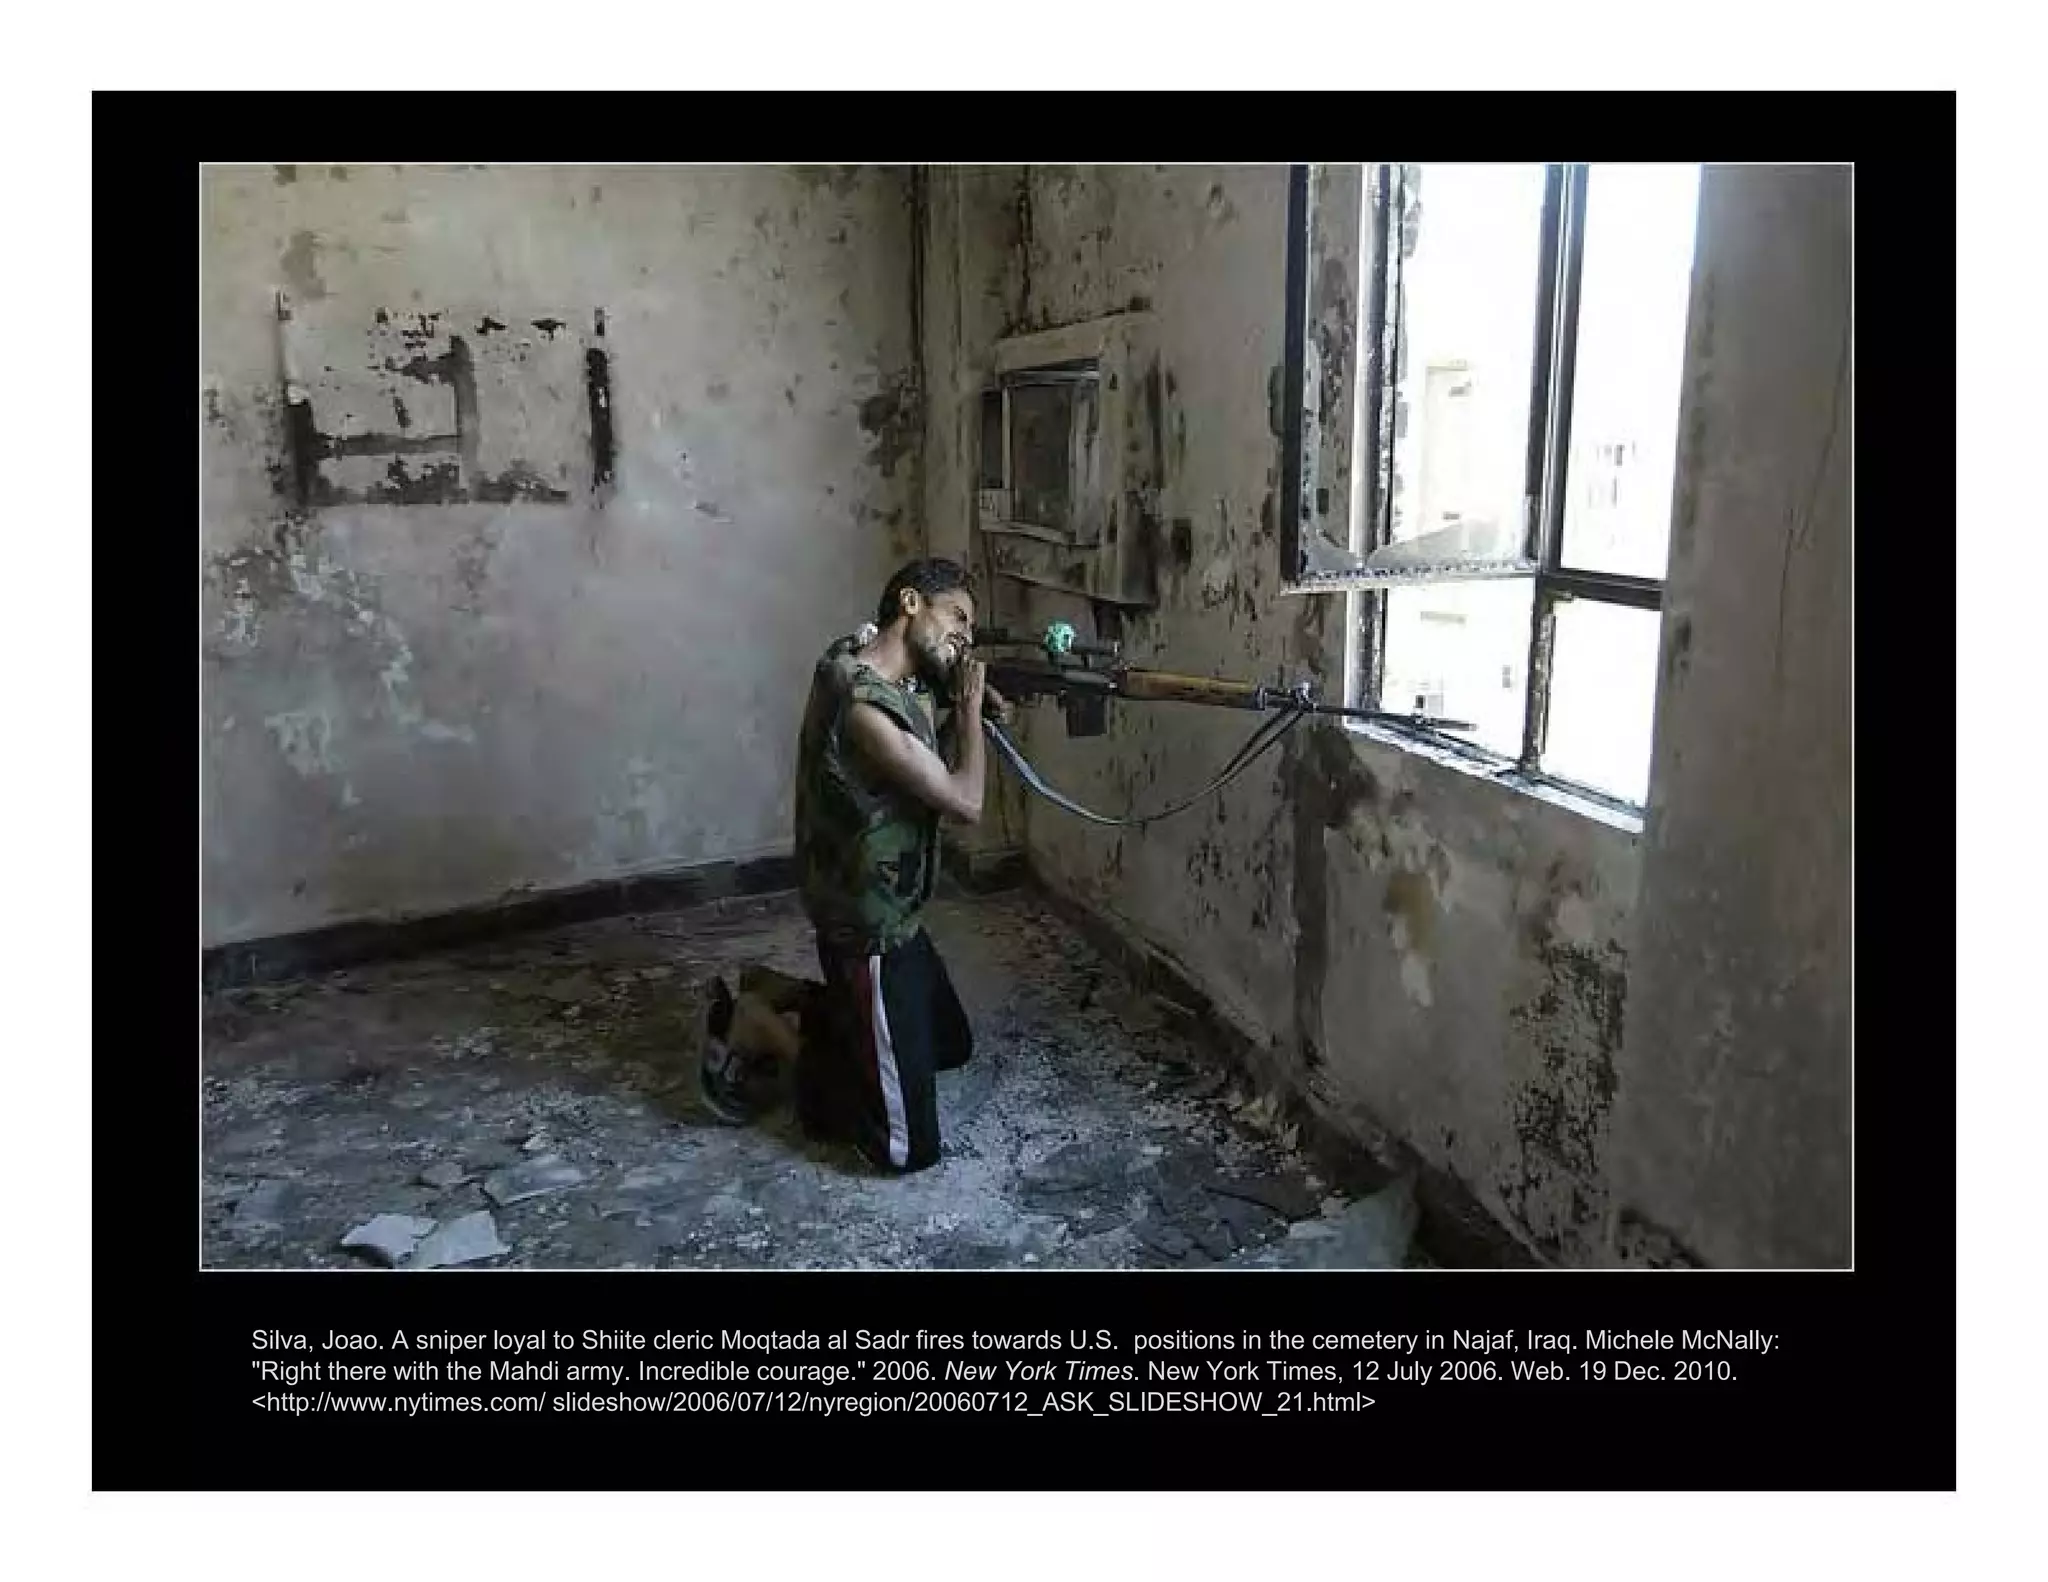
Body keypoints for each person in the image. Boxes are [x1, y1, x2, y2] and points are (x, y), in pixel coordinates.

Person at [698, 559, 1008, 1172]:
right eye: (958, 618)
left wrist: (960, 702)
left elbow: (921, 737)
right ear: (911, 603)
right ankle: (763, 1027)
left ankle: (784, 992)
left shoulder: (859, 655)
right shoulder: (866, 709)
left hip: (898, 913)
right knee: (903, 1149)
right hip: (870, 932)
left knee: (950, 1046)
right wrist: (972, 710)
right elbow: (966, 803)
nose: (965, 638)